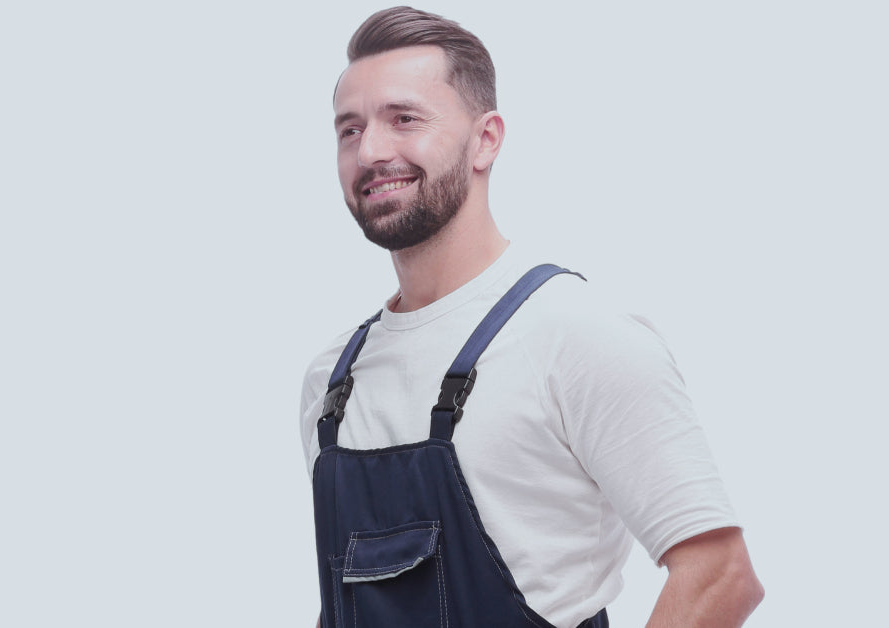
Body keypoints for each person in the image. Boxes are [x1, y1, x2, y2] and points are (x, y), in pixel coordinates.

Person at [299, 6, 764, 627]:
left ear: (485, 139)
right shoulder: (333, 383)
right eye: (349, 130)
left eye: (403, 119)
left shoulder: (574, 336)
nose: (372, 150)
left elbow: (721, 575)